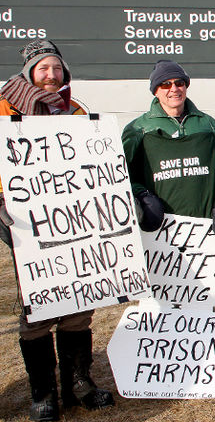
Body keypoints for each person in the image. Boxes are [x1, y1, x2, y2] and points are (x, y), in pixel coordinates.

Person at [0, 39, 113, 421]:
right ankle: (43, 393)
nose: (51, 76)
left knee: (80, 303)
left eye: (56, 68)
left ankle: (80, 383)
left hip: (78, 223)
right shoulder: (4, 108)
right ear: (29, 72)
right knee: (39, 306)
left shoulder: (77, 111)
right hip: (27, 227)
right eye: (43, 68)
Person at [121, 60, 215, 238]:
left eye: (179, 83)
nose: (174, 89)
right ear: (155, 91)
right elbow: (122, 176)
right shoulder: (138, 129)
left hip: (206, 234)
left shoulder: (208, 125)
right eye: (165, 84)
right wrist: (142, 195)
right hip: (162, 237)